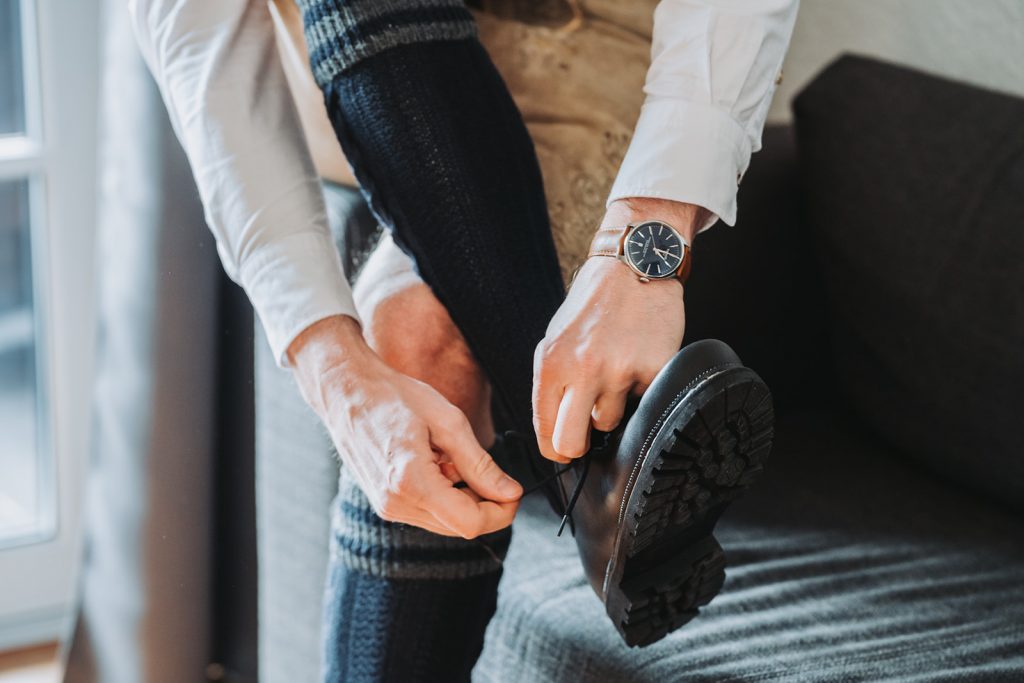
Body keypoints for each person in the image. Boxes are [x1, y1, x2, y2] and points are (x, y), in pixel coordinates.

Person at [130, 0, 797, 679]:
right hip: (360, 44)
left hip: (602, 35)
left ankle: (589, 480)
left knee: (422, 347)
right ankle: (589, 475)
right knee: (406, 395)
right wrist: (329, 364)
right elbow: (195, 33)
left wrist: (641, 248)